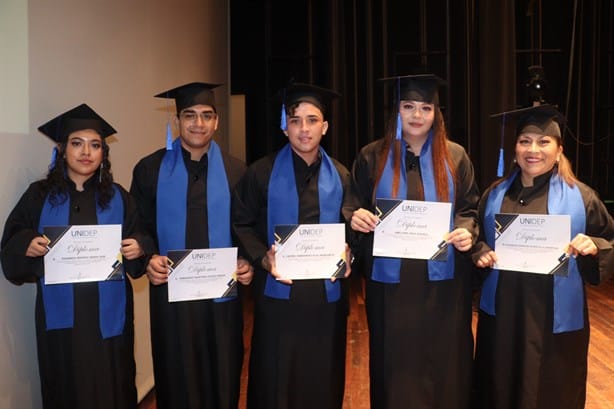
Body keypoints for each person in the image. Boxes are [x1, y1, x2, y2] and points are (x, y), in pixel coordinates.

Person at [1, 103, 145, 409]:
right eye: (77, 143)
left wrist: (139, 246)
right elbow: (12, 241)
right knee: (65, 384)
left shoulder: (119, 196)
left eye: (95, 145)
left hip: (109, 321)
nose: (86, 152)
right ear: (62, 149)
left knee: (113, 383)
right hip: (61, 320)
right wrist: (27, 243)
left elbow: (142, 237)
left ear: (104, 153)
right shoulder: (39, 195)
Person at [348, 74, 480, 409]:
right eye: (408, 106)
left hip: (444, 281)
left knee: (444, 359)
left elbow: (469, 208)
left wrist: (466, 229)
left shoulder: (456, 156)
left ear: (437, 112)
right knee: (395, 361)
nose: (417, 115)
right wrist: (356, 217)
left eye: (425, 107)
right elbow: (353, 204)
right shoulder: (371, 156)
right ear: (397, 110)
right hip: (391, 285)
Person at [471, 104, 614, 409]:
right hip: (504, 316)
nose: (533, 149)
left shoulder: (582, 197)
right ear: (514, 150)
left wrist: (594, 247)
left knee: (552, 391)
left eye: (543, 142)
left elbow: (609, 240)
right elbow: (476, 241)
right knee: (499, 387)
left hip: (554, 321)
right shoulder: (494, 195)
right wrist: (479, 252)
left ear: (559, 150)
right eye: (524, 141)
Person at [130, 82, 253, 409]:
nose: (198, 123)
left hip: (221, 299)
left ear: (217, 122)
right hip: (173, 297)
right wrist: (147, 260)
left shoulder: (237, 171)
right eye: (190, 115)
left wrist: (246, 261)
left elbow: (247, 229)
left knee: (222, 371)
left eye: (206, 115)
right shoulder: (149, 170)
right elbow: (138, 226)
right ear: (177, 121)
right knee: (177, 372)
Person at [232, 82, 353, 409]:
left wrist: (349, 253)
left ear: (324, 127)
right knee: (276, 377)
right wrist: (262, 259)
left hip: (325, 299)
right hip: (278, 297)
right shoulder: (260, 173)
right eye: (295, 120)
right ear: (284, 126)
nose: (303, 128)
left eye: (312, 120)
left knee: (321, 376)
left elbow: (351, 232)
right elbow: (240, 223)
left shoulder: (341, 176)